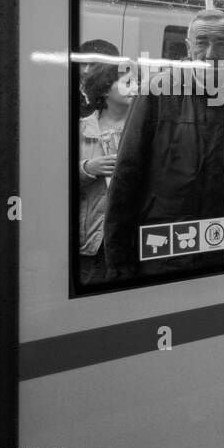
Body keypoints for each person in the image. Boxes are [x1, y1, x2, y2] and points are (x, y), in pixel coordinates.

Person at [103, 8, 224, 278]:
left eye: (221, 43)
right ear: (188, 47)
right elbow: (126, 176)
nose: (210, 53)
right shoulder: (158, 90)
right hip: (165, 248)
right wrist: (119, 263)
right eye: (202, 42)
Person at [76, 62, 137, 285]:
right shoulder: (81, 129)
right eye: (128, 82)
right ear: (104, 89)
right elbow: (54, 181)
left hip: (132, 234)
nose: (136, 87)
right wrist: (87, 168)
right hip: (94, 237)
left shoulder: (143, 129)